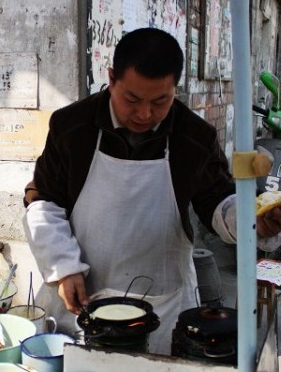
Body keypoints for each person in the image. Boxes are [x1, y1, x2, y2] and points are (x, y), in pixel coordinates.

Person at [23, 28, 281, 354]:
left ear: (175, 88)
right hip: (83, 297)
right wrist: (63, 266)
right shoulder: (72, 126)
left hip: (163, 304)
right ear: (112, 78)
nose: (145, 114)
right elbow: (43, 199)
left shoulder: (193, 136)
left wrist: (253, 220)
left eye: (160, 100)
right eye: (132, 99)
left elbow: (216, 202)